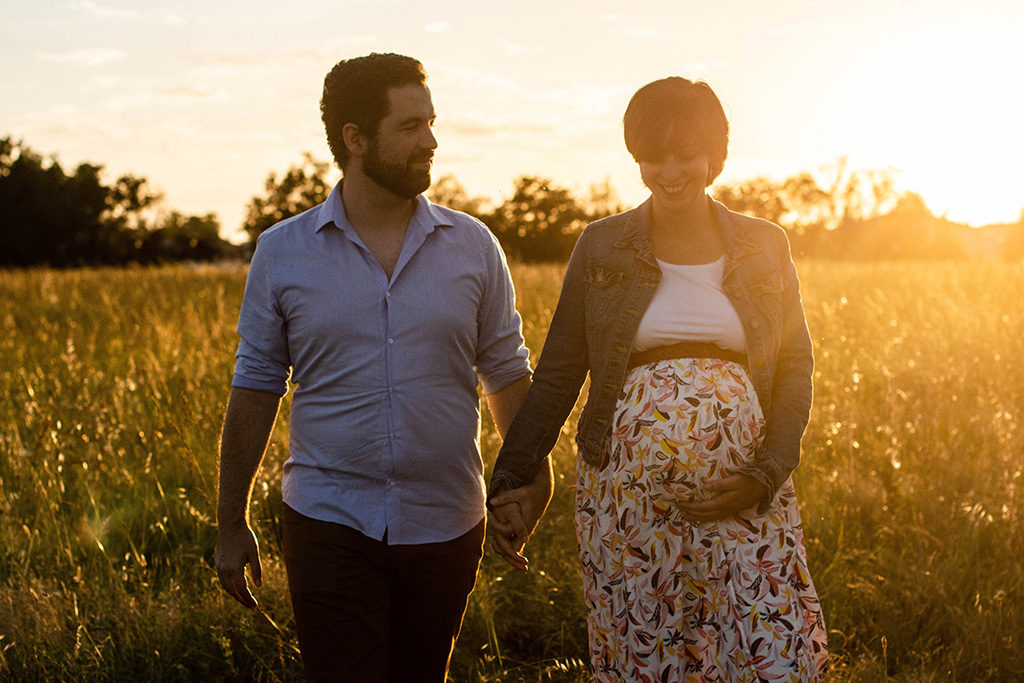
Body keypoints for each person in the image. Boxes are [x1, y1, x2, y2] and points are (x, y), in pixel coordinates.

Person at [487, 77, 828, 681]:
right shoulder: (602, 246)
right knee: (649, 656)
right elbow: (562, 371)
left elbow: (796, 364)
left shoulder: (764, 244)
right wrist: (512, 478)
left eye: (685, 155)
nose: (670, 171)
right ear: (635, 155)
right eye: (654, 156)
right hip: (627, 500)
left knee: (768, 654)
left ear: (714, 156)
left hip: (744, 492)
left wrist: (766, 471)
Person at [214, 52, 532, 682]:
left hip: (447, 522)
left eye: (431, 123)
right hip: (329, 519)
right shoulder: (282, 253)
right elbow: (255, 388)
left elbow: (505, 369)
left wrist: (528, 476)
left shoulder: (473, 246)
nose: (430, 142)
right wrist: (231, 522)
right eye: (410, 127)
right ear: (355, 139)